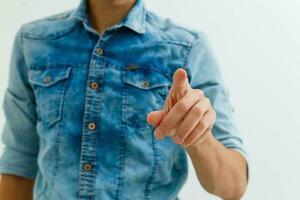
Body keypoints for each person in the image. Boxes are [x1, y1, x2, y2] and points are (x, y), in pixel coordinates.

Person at [0, 0, 249, 199]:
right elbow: (19, 166)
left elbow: (233, 186)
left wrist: (200, 137)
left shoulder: (188, 48)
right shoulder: (33, 42)